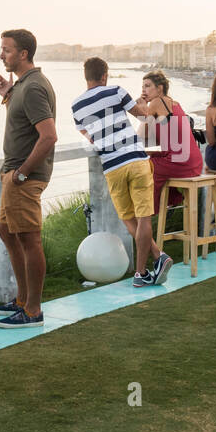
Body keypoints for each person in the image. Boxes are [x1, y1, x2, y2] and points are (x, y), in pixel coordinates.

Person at [72, 58, 173, 288]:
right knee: (143, 217)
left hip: (112, 166)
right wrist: (144, 103)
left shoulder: (76, 106)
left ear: (86, 76)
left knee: (128, 218)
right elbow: (144, 116)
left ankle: (156, 260)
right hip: (136, 160)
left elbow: (91, 137)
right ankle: (144, 269)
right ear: (105, 75)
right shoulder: (116, 90)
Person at [0, 29, 57, 329]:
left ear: (23, 54)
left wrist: (22, 173)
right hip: (13, 173)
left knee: (29, 239)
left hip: (23, 176)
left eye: (6, 49)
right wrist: (7, 93)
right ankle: (22, 299)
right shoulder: (23, 86)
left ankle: (32, 310)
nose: (1, 54)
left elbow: (48, 136)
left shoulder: (33, 87)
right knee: (7, 232)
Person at [139, 70, 203, 213]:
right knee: (154, 158)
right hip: (194, 162)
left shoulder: (156, 103)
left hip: (181, 163)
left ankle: (150, 210)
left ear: (159, 88)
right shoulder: (175, 103)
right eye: (142, 87)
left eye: (147, 86)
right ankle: (171, 200)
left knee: (146, 167)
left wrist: (143, 109)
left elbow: (141, 135)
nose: (144, 90)